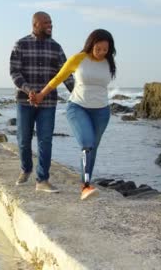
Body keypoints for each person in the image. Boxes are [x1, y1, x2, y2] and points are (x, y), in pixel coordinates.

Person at [32, 29, 116, 200]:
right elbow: (58, 78)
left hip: (102, 111)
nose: (101, 53)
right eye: (98, 49)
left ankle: (86, 183)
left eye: (105, 50)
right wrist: (41, 94)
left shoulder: (109, 62)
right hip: (78, 107)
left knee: (92, 149)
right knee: (87, 143)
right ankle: (85, 186)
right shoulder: (79, 59)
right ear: (91, 44)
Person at [10, 11, 74, 193]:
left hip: (48, 103)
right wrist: (29, 90)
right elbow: (15, 72)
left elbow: (66, 74)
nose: (50, 26)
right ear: (35, 24)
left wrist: (77, 94)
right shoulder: (21, 45)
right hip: (25, 101)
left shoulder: (56, 48)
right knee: (23, 139)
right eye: (46, 23)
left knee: (45, 140)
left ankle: (42, 179)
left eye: (51, 23)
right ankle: (26, 168)